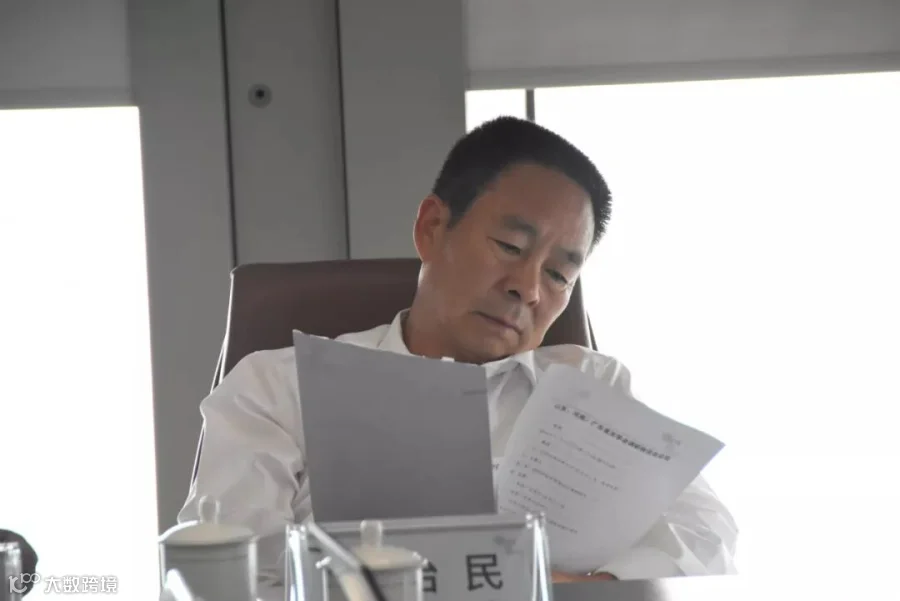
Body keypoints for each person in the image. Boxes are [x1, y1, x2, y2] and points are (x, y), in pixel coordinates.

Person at [179, 116, 738, 599]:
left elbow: (707, 535)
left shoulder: (589, 383)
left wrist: (592, 587)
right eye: (510, 247)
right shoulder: (277, 387)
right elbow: (225, 574)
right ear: (432, 228)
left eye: (558, 274)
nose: (528, 288)